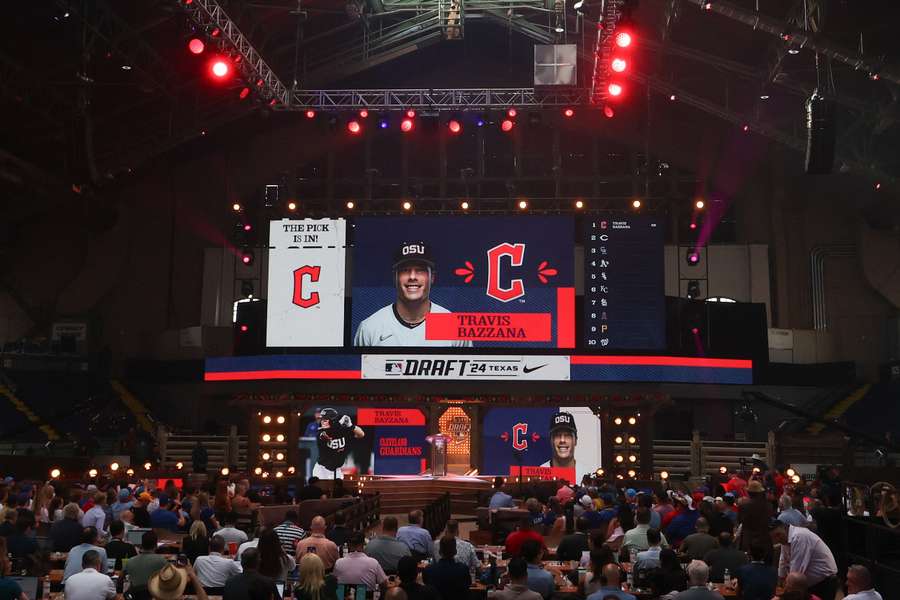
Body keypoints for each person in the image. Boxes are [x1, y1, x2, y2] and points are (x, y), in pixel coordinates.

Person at [353, 242, 472, 347]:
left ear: (432, 278)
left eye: (420, 270)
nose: (412, 277)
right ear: (395, 277)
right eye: (405, 270)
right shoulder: (371, 327)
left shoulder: (451, 325)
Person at [769, 521, 838, 600]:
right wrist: (780, 581)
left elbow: (796, 572)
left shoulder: (799, 536)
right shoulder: (786, 539)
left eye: (778, 535)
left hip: (823, 583)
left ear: (785, 528)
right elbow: (783, 562)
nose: (777, 539)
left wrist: (783, 594)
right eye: (773, 537)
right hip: (810, 584)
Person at [313, 408, 365, 480]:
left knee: (339, 490)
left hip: (336, 470)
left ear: (333, 421)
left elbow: (361, 434)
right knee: (321, 490)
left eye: (325, 420)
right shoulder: (321, 431)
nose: (322, 422)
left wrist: (351, 426)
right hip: (322, 470)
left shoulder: (342, 429)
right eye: (322, 420)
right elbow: (323, 435)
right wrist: (339, 425)